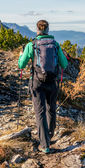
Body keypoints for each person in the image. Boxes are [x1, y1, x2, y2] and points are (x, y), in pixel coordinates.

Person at [18, 20, 68, 153]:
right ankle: (49, 135)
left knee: (40, 112)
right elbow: (64, 64)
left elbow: (21, 65)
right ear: (48, 30)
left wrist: (21, 56)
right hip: (52, 82)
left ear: (37, 30)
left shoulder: (32, 45)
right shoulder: (55, 45)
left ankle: (45, 145)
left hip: (37, 83)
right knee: (51, 109)